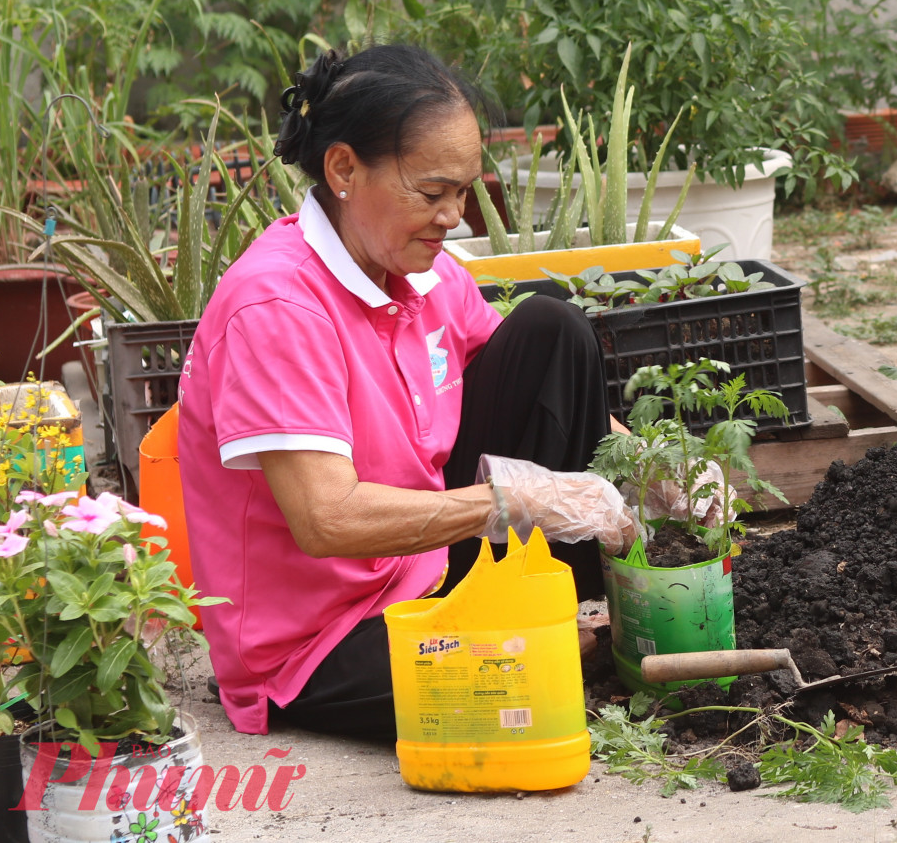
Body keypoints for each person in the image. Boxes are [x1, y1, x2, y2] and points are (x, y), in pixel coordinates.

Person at [177, 44, 636, 740]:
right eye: (432, 191)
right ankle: (550, 630)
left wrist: (654, 468)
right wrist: (514, 500)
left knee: (554, 330)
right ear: (342, 169)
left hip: (422, 565)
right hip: (323, 637)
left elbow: (531, 380)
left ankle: (562, 612)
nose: (454, 215)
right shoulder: (277, 304)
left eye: (464, 191)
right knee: (517, 682)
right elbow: (325, 520)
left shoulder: (423, 269)